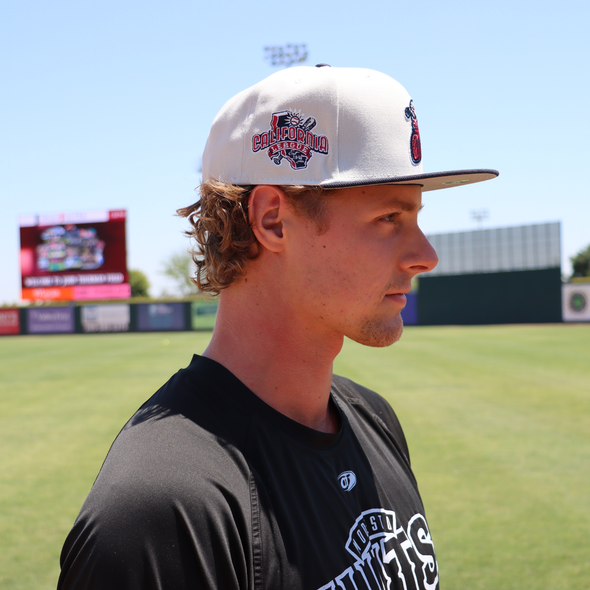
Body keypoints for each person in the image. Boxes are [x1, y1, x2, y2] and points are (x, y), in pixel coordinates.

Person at [58, 65, 497, 590]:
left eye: (416, 217)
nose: (426, 255)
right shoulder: (162, 507)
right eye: (389, 218)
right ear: (273, 220)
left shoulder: (373, 419)